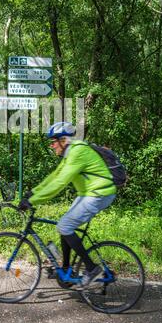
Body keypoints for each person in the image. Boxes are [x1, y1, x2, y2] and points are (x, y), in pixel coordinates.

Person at [19, 122, 116, 288]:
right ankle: (66, 269)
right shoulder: (70, 153)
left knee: (65, 225)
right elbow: (54, 176)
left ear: (64, 140)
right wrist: (33, 192)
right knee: (64, 225)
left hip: (100, 193)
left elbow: (60, 183)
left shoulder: (78, 152)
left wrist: (32, 201)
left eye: (53, 141)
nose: (51, 145)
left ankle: (92, 268)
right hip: (88, 193)